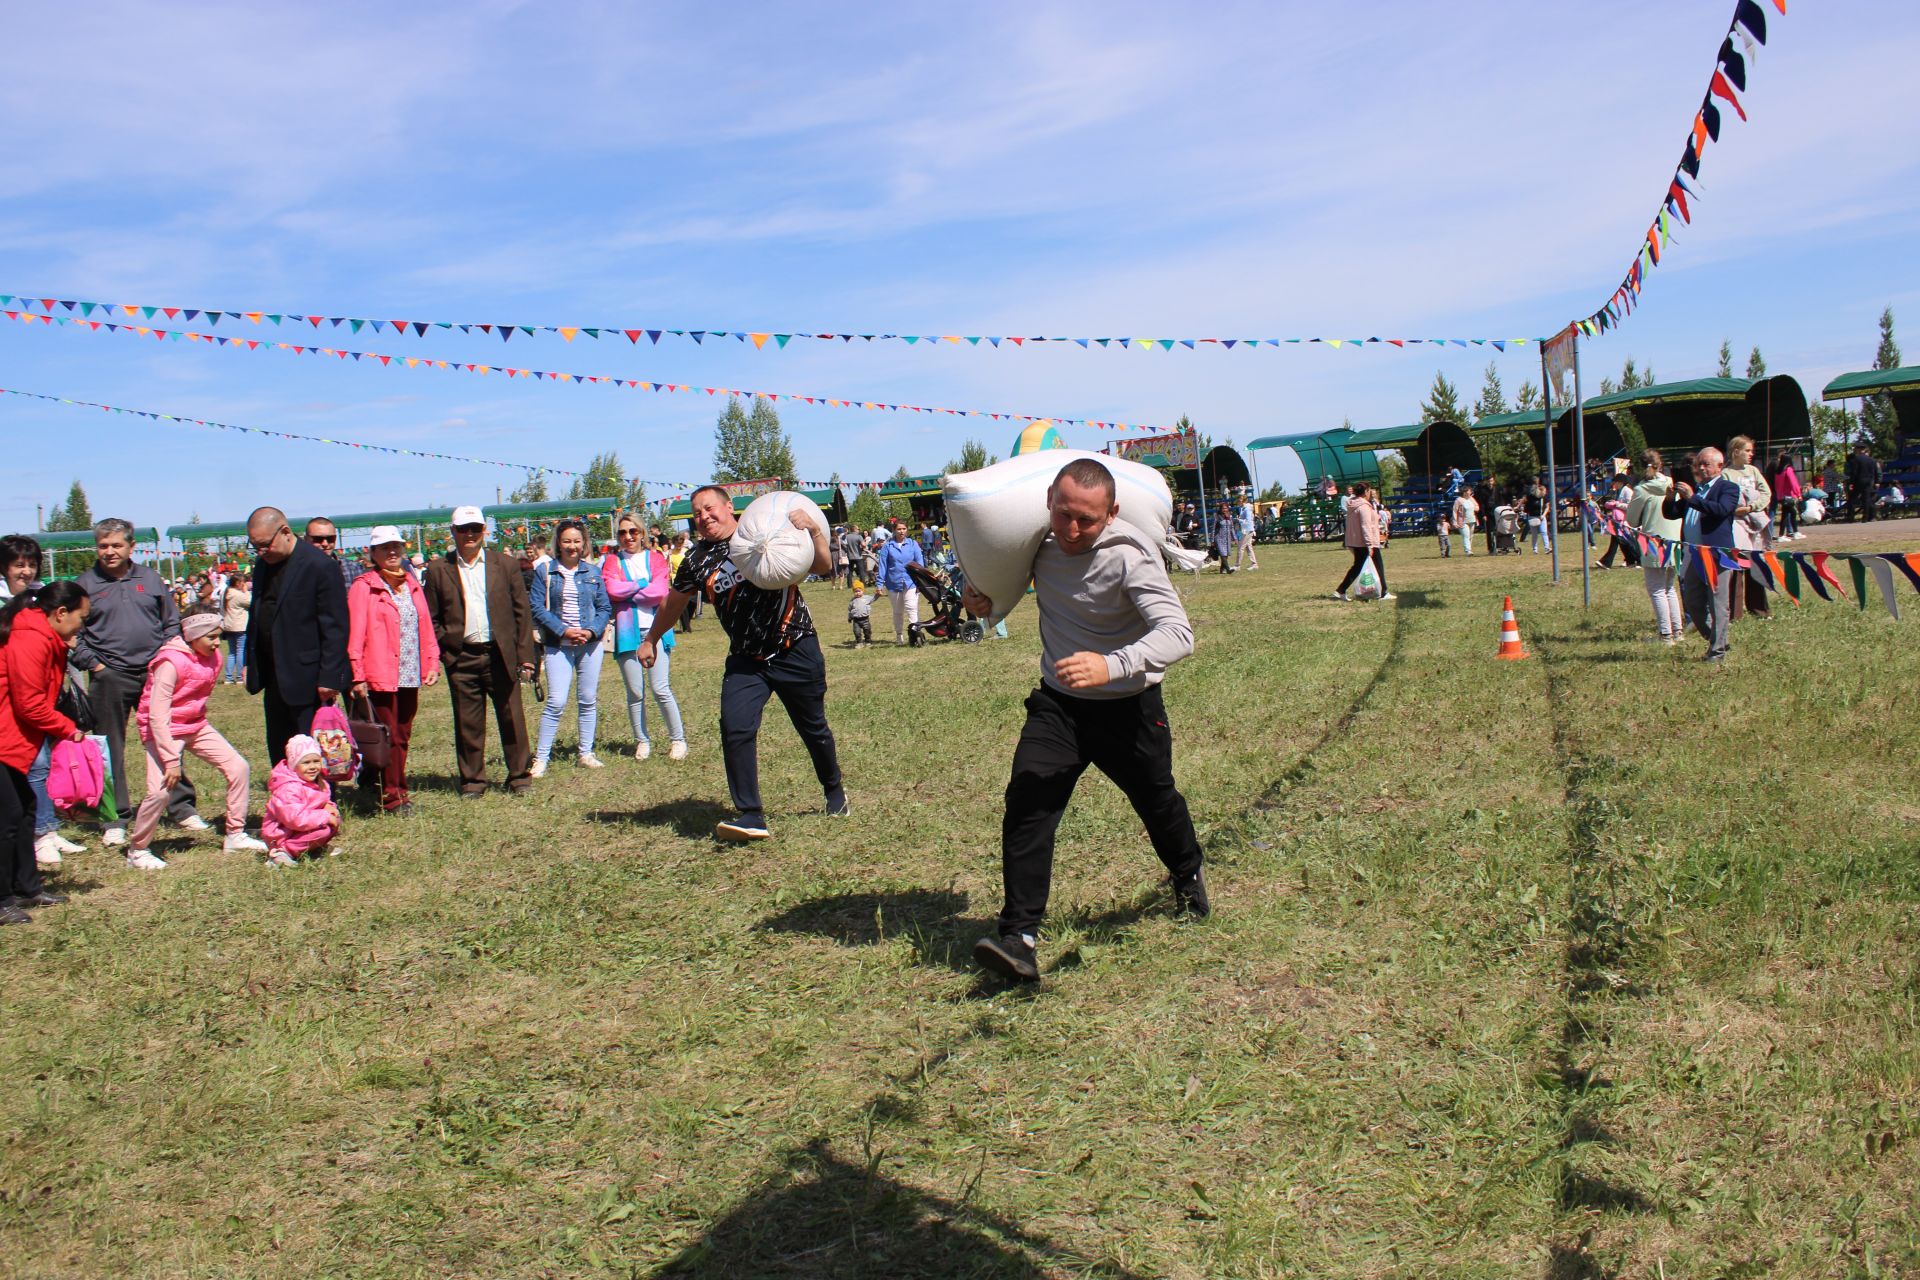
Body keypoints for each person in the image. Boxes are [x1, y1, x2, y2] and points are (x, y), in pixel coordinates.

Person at [959, 458, 1206, 982]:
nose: (1072, 530)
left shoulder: (1131, 556)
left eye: (1086, 521)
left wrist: (1111, 664)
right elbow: (997, 593)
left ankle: (1187, 874)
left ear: (1112, 513)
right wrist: (981, 600)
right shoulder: (1038, 543)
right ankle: (1018, 936)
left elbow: (1178, 634)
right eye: (1064, 513)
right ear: (1049, 497)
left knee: (1158, 803)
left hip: (1130, 709)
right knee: (1029, 801)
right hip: (1060, 706)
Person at [637, 485, 846, 841]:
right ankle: (750, 815)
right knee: (735, 727)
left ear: (729, 507)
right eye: (697, 512)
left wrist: (811, 529)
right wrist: (651, 638)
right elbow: (673, 603)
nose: (704, 517)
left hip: (795, 646)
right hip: (747, 659)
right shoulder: (696, 560)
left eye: (709, 508)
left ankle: (834, 791)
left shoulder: (767, 529)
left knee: (813, 727)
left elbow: (823, 566)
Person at [72, 518, 204, 844]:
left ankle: (181, 808)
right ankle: (114, 817)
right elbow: (72, 634)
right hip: (109, 677)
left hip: (154, 674)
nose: (110, 551)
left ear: (131, 546)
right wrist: (96, 666)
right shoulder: (85, 585)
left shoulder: (150, 578)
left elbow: (170, 623)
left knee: (166, 740)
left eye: (117, 545)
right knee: (109, 746)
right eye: (103, 546)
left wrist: (166, 662)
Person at [124, 613, 266, 869]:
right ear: (191, 635)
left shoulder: (215, 657)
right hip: (163, 730)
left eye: (218, 636)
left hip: (195, 725)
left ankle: (235, 834)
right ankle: (138, 850)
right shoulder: (169, 662)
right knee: (158, 792)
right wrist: (170, 760)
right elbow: (157, 716)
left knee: (239, 767)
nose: (216, 642)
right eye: (211, 637)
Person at [423, 507, 537, 797]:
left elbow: (521, 613)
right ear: (453, 532)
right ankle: (473, 781)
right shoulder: (438, 570)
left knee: (512, 718)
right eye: (464, 529)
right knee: (467, 722)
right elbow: (430, 617)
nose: (470, 534)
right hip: (462, 657)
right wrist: (446, 648)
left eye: (475, 528)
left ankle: (519, 777)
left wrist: (525, 655)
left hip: (501, 654)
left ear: (484, 530)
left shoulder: (506, 565)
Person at [0, 582, 93, 923]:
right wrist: (69, 729)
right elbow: (29, 704)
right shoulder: (31, 639)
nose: (82, 625)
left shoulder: (45, 637)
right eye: (81, 617)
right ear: (61, 613)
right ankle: (2, 899)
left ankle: (26, 888)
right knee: (7, 818)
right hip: (4, 736)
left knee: (25, 809)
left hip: (11, 738)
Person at [244, 508, 352, 765]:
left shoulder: (319, 566)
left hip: (309, 678)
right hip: (274, 676)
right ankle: (288, 800)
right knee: (281, 750)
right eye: (255, 546)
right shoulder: (262, 566)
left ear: (284, 532)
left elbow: (335, 627)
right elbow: (258, 615)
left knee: (312, 751)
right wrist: (252, 659)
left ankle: (320, 803)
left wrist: (329, 677)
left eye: (264, 545)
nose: (260, 552)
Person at [347, 526, 441, 815]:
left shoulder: (411, 583)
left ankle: (396, 788)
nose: (392, 553)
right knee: (387, 736)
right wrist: (357, 673)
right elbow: (356, 633)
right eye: (385, 548)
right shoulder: (364, 586)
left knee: (402, 734)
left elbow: (425, 625)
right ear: (373, 553)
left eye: (396, 547)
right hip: (381, 673)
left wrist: (431, 659)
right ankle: (393, 796)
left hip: (410, 671)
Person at [527, 519, 614, 775]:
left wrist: (589, 631)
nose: (572, 546)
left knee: (587, 699)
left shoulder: (593, 572)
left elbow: (604, 608)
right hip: (558, 645)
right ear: (558, 543)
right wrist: (563, 630)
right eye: (567, 541)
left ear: (584, 543)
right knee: (556, 701)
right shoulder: (545, 572)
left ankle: (586, 753)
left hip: (590, 645)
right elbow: (537, 608)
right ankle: (541, 758)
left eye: (577, 541)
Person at [604, 512, 687, 761]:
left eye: (633, 531)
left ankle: (678, 740)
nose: (628, 537)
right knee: (635, 692)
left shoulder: (656, 558)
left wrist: (628, 591)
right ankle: (642, 741)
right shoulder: (611, 561)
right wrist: (643, 583)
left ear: (642, 533)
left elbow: (660, 592)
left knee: (661, 688)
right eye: (622, 532)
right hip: (627, 632)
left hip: (656, 629)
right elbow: (611, 590)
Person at [1667, 447, 1742, 664]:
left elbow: (1720, 510)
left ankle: (1717, 652)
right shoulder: (1697, 490)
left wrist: (1692, 498)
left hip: (1717, 555)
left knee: (1718, 604)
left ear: (1720, 466)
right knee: (1693, 601)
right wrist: (1671, 499)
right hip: (1694, 554)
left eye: (1706, 464)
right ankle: (1717, 638)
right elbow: (1671, 514)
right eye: (1698, 464)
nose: (1701, 468)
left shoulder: (1728, 488)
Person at [1625, 449, 1683, 645]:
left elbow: (1631, 520)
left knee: (1657, 589)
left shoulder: (1642, 489)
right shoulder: (1672, 484)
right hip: (1675, 542)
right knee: (1669, 588)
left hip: (1653, 542)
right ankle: (1678, 631)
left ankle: (1665, 635)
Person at [263, 734, 340, 865]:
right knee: (323, 830)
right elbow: (295, 818)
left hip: (303, 826)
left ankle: (311, 848)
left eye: (316, 761)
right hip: (283, 834)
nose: (312, 767)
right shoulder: (288, 788)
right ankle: (282, 852)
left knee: (332, 822)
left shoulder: (319, 782)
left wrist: (328, 806)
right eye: (306, 762)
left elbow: (323, 799)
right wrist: (325, 817)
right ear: (294, 764)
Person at [1722, 435, 1772, 622]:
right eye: (1748, 451)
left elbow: (1766, 492)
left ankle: (1759, 609)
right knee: (1737, 565)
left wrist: (1752, 506)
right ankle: (1734, 613)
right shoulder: (1726, 474)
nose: (1751, 454)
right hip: (1737, 523)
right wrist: (1737, 509)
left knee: (1757, 564)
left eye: (1752, 451)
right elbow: (1725, 498)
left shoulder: (1753, 471)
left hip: (1755, 522)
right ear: (1736, 452)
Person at [878, 520, 924, 644]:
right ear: (894, 530)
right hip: (893, 583)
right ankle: (899, 635)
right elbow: (883, 566)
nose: (901, 531)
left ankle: (915, 634)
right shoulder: (887, 546)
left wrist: (921, 581)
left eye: (904, 529)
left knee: (912, 608)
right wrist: (879, 584)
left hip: (911, 582)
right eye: (899, 529)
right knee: (898, 611)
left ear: (907, 530)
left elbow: (920, 563)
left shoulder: (913, 544)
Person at [1333, 483, 1383, 599]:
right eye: (1369, 490)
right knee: (1376, 566)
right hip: (1364, 542)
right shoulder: (1363, 506)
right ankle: (1382, 592)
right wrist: (1369, 544)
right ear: (1366, 491)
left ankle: (1341, 590)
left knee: (1358, 567)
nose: (1370, 492)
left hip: (1356, 541)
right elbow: (1365, 526)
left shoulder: (1352, 504)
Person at [303, 517, 358, 592]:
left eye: (331, 539)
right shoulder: (296, 572)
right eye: (318, 539)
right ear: (306, 540)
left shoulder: (353, 568)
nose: (325, 544)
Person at [220, 569, 251, 684]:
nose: (244, 584)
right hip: (239, 626)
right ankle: (239, 676)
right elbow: (250, 601)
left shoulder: (226, 593)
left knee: (232, 652)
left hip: (228, 625)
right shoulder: (238, 595)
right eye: (243, 582)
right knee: (240, 651)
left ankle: (228, 677)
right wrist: (246, 591)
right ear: (238, 583)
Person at [1767, 450, 1804, 541]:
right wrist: (1798, 493)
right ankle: (1794, 532)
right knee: (1793, 513)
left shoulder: (1779, 471)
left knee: (1785, 514)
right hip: (1789, 495)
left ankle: (1783, 534)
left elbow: (1777, 484)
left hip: (1780, 495)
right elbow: (1793, 482)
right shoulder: (1788, 469)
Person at [1845, 442, 1880, 523]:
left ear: (1858, 449)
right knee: (1867, 499)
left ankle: (1850, 517)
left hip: (1858, 481)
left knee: (1852, 499)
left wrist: (1851, 483)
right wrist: (1876, 481)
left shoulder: (1855, 460)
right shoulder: (1872, 460)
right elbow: (1875, 472)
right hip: (1868, 482)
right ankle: (1866, 517)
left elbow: (1854, 472)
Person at [1234, 494, 1259, 571]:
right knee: (1248, 547)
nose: (1238, 501)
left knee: (1240, 547)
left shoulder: (1247, 509)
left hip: (1247, 530)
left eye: (1239, 500)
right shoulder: (1242, 508)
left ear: (1243, 500)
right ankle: (1254, 564)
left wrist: (1239, 520)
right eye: (1237, 500)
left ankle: (1237, 565)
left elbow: (1248, 521)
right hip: (1244, 530)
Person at [1451, 489, 1478, 557]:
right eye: (1469, 491)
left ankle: (1469, 549)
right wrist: (1454, 521)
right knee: (1466, 535)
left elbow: (1477, 508)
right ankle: (1468, 551)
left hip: (1472, 520)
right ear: (1464, 492)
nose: (1470, 492)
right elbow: (1454, 511)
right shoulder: (1458, 500)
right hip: (1462, 521)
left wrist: (1473, 507)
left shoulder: (1471, 499)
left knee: (1470, 536)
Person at [1212, 503, 1237, 573]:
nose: (1225, 510)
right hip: (1219, 538)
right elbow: (1213, 529)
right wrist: (1212, 540)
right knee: (1223, 554)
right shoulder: (1217, 517)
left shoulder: (1229, 517)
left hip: (1227, 538)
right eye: (1223, 508)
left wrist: (1235, 538)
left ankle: (1222, 569)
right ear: (1220, 509)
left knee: (1226, 554)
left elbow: (1232, 528)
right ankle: (1228, 569)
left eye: (1226, 508)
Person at [847, 581, 873, 647]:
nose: (857, 593)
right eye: (856, 591)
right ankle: (859, 642)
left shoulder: (866, 598)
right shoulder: (852, 601)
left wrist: (878, 594)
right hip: (856, 620)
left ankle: (868, 641)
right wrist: (849, 617)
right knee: (857, 632)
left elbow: (874, 598)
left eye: (859, 591)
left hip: (865, 619)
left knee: (867, 631)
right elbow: (850, 610)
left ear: (863, 591)